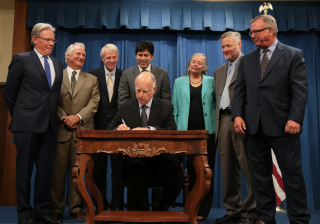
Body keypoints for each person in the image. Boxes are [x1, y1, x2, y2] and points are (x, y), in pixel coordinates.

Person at [232, 15, 311, 224]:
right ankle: (266, 217)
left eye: (256, 31)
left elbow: (300, 91)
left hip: (285, 127)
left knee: (292, 176)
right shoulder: (247, 59)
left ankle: (300, 219)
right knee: (260, 176)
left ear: (270, 31)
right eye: (251, 32)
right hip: (254, 127)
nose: (252, 35)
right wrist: (237, 115)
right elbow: (239, 91)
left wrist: (295, 118)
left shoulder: (293, 55)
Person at [3, 23, 63, 224]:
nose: (51, 43)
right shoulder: (21, 59)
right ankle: (24, 215)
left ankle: (42, 212)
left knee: (45, 173)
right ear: (35, 39)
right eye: (47, 39)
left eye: (53, 40)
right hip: (26, 126)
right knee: (24, 172)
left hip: (49, 127)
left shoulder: (57, 64)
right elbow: (9, 92)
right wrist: (21, 117)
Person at [108, 71, 184, 211]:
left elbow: (172, 131)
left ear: (154, 90)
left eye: (145, 91)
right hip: (135, 159)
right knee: (135, 169)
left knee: (176, 172)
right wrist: (117, 129)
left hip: (162, 158)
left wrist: (150, 130)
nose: (140, 95)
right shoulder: (125, 108)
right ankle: (144, 212)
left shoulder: (165, 107)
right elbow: (110, 129)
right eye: (137, 90)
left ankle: (162, 210)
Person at [49, 43, 100, 220]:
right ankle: (55, 208)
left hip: (82, 132)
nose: (81, 57)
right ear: (68, 55)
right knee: (58, 173)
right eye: (78, 53)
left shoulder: (92, 79)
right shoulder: (56, 75)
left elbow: (94, 103)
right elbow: (51, 101)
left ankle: (76, 208)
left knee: (79, 173)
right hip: (61, 131)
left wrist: (77, 117)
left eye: (84, 54)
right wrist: (64, 117)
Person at [214, 32, 257, 224]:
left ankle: (252, 212)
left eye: (229, 46)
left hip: (243, 122)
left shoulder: (250, 63)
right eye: (223, 47)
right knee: (228, 169)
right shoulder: (219, 71)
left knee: (250, 168)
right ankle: (233, 211)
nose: (225, 50)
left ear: (239, 44)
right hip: (223, 122)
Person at [172, 53, 216, 221]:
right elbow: (175, 109)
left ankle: (203, 209)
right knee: (190, 170)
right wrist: (176, 132)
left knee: (206, 171)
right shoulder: (179, 82)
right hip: (186, 133)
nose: (196, 64)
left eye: (200, 63)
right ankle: (190, 207)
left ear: (204, 67)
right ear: (189, 63)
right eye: (193, 61)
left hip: (207, 133)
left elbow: (216, 103)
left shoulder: (211, 81)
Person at [88, 44, 123, 211]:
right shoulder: (92, 75)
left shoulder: (125, 75)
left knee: (118, 171)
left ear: (118, 57)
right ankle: (100, 204)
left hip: (119, 128)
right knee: (98, 170)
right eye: (108, 57)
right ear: (102, 58)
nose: (111, 60)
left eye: (114, 57)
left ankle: (117, 205)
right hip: (98, 128)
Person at [118, 41, 171, 106]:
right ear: (135, 56)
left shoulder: (162, 74)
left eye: (146, 55)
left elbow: (166, 102)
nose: (143, 58)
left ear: (152, 56)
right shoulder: (126, 74)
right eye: (140, 55)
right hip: (132, 115)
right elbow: (123, 102)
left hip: (156, 115)